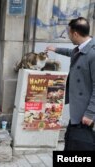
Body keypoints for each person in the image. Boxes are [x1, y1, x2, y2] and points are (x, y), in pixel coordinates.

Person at [45, 17, 95, 150]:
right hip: (78, 110)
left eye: (69, 33)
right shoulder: (82, 48)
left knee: (80, 144)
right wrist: (55, 49)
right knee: (71, 141)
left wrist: (90, 113)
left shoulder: (93, 54)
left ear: (76, 34)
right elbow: (71, 53)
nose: (68, 36)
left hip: (85, 112)